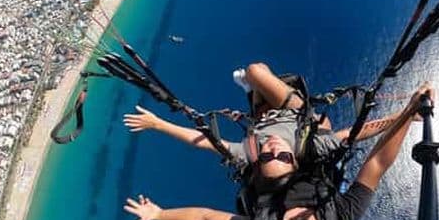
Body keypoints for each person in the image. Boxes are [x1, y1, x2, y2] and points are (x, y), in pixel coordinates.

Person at [123, 81, 433, 220]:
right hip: (307, 151)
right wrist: (408, 113)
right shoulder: (340, 217)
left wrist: (160, 214)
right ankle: (286, 106)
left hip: (271, 154)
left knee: (271, 116)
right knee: (325, 129)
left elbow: (206, 219)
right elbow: (377, 164)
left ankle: (263, 100)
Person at [123, 62, 401, 181]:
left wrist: (158, 124)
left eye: (268, 156)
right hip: (295, 111)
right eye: (282, 155)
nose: (272, 147)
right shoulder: (310, 149)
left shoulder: (248, 154)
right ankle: (252, 85)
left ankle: (251, 91)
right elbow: (358, 132)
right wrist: (403, 115)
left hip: (261, 116)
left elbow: (206, 141)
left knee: (256, 93)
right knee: (257, 71)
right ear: (293, 158)